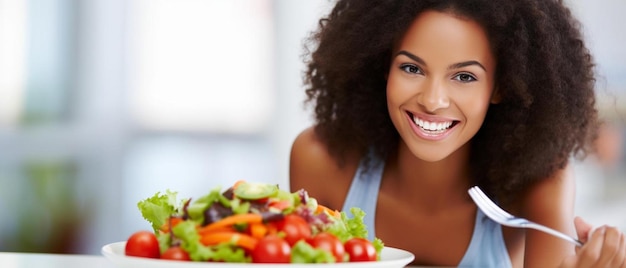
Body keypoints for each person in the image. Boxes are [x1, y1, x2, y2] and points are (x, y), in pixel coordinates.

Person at [289, 0, 626, 267]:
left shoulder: (539, 183)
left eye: (464, 77)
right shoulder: (320, 161)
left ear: (501, 87)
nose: (433, 101)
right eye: (411, 68)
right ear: (382, 66)